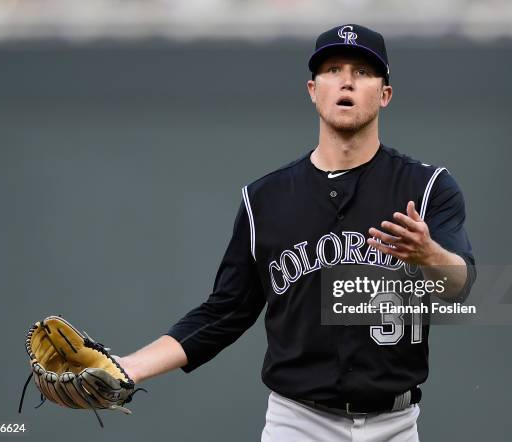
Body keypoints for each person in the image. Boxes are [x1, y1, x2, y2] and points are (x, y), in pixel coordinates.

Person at [117, 24, 476, 441]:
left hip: (395, 424)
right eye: (332, 69)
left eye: (362, 72)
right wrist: (130, 367)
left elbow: (463, 287)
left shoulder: (427, 188)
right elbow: (225, 312)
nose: (346, 80)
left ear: (385, 94)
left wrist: (430, 255)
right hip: (298, 423)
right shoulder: (265, 200)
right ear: (312, 89)